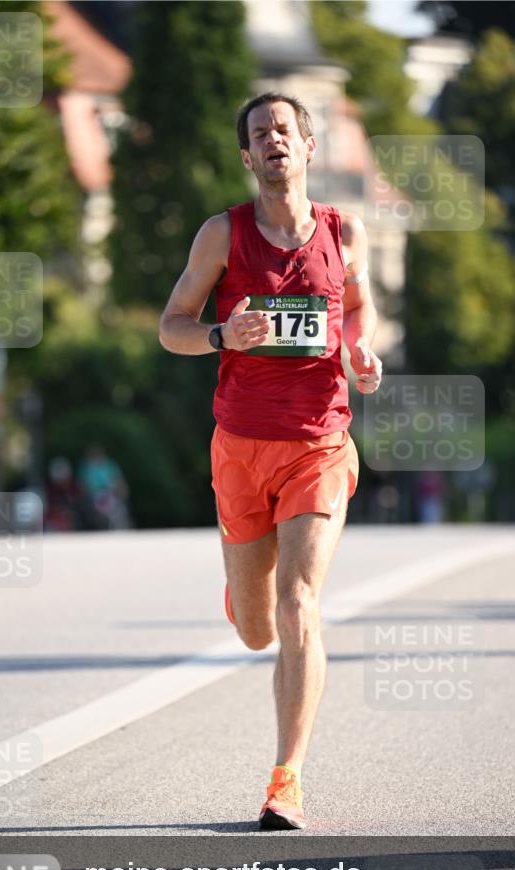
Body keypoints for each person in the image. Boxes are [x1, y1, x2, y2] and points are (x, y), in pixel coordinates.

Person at [159, 93, 382, 830]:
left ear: (307, 147)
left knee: (298, 605)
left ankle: (285, 780)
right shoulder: (220, 236)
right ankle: (240, 598)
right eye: (260, 135)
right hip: (240, 447)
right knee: (256, 626)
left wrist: (357, 348)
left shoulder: (342, 231)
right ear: (247, 158)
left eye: (284, 129)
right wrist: (224, 334)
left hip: (319, 440)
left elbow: (355, 304)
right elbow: (171, 328)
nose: (273, 141)